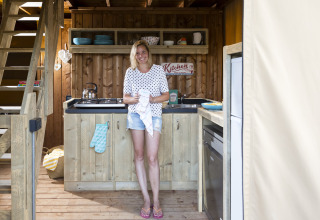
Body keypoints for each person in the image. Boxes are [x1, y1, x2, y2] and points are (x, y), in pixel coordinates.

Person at [123, 40, 169, 219]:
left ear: (148, 53)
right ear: (134, 56)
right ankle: (146, 199)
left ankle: (156, 201)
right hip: (135, 116)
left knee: (152, 157)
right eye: (137, 53)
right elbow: (125, 98)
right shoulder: (131, 72)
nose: (141, 55)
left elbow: (166, 94)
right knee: (139, 155)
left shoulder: (158, 70)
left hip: (154, 115)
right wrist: (134, 99)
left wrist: (152, 99)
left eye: (143, 52)